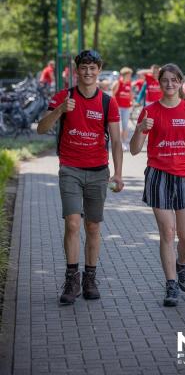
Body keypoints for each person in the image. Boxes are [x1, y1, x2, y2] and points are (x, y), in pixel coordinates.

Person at [37, 49, 124, 305]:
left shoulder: (109, 102)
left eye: (93, 68)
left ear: (99, 70)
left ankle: (90, 278)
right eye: (84, 68)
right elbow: (42, 128)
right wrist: (60, 110)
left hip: (98, 172)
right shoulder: (64, 97)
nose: (88, 72)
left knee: (93, 226)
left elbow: (117, 141)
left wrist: (119, 173)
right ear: (77, 71)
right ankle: (72, 277)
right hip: (70, 169)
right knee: (73, 223)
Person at [130, 63, 185, 307]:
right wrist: (140, 129)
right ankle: (171, 284)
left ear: (179, 82)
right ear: (159, 82)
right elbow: (134, 150)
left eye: (174, 80)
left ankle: (182, 263)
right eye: (165, 80)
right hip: (159, 176)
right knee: (167, 232)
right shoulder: (149, 111)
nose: (169, 84)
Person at [112, 67, 134, 151]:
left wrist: (132, 103)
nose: (130, 77)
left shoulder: (129, 83)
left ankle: (125, 143)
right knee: (120, 126)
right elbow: (113, 95)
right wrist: (114, 106)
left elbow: (130, 94)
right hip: (119, 107)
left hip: (126, 107)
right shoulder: (118, 82)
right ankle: (119, 143)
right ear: (124, 75)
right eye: (129, 75)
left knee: (125, 126)